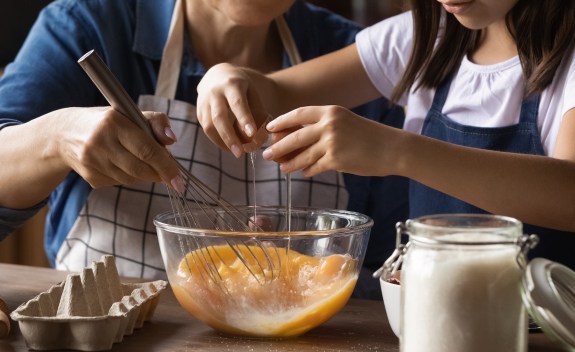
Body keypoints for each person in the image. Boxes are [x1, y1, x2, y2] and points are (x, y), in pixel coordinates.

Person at [0, 0, 407, 298]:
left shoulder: (361, 63)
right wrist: (55, 137)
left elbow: (392, 261)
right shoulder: (90, 25)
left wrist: (302, 267)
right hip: (111, 346)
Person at [196, 0, 575, 270]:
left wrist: (396, 151)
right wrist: (230, 79)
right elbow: (277, 93)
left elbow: (568, 194)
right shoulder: (423, 38)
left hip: (547, 340)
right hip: (429, 320)